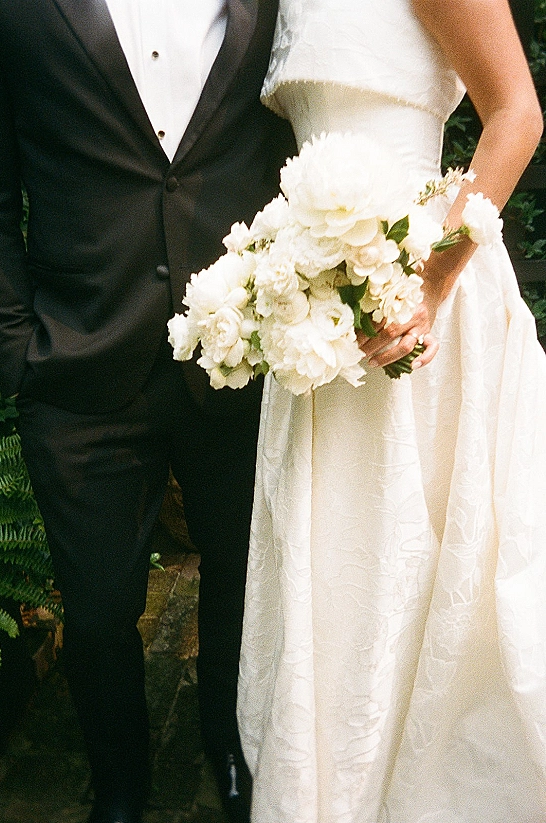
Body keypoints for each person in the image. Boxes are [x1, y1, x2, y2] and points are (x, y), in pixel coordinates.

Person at [0, 2, 294, 822]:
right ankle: (119, 778)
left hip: (239, 352)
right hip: (77, 357)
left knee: (241, 577)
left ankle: (227, 746)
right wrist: (17, 348)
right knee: (100, 601)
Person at [237, 1, 546, 821]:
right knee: (340, 554)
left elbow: (517, 114)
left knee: (416, 556)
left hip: (419, 295)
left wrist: (431, 281)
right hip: (316, 310)